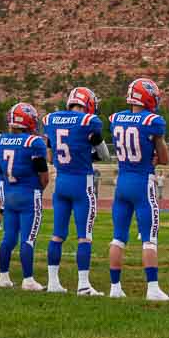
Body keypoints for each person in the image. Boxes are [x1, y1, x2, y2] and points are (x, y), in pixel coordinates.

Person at [108, 77, 169, 301]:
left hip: (122, 180)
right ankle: (152, 289)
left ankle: (115, 288)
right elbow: (163, 157)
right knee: (149, 238)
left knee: (118, 237)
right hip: (143, 181)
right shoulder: (153, 121)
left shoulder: (116, 118)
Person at [44, 86, 105, 296]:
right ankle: (83, 284)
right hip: (81, 182)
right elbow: (104, 154)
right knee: (84, 237)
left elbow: (50, 157)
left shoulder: (51, 119)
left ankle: (53, 282)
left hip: (61, 182)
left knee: (57, 235)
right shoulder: (89, 122)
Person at [0, 102, 49, 291]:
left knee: (8, 237)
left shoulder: (0, 139)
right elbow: (44, 175)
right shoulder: (34, 142)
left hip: (9, 194)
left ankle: (3, 276)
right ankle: (28, 279)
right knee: (28, 238)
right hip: (28, 194)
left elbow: (0, 171)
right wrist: (38, 188)